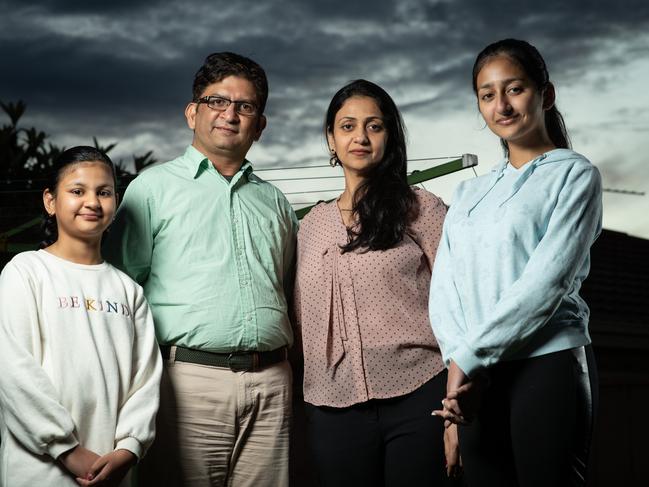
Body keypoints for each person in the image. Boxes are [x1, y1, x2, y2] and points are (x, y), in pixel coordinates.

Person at [103, 52, 298, 487]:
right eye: (217, 101)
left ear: (260, 126)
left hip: (272, 385)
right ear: (192, 113)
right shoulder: (151, 189)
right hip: (185, 384)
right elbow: (118, 291)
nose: (230, 113)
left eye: (245, 106)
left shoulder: (276, 203)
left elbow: (285, 289)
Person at [430, 38, 601, 487]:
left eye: (515, 89)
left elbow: (545, 284)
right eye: (487, 95)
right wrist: (458, 370)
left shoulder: (575, 174)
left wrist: (468, 358)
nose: (501, 105)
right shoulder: (468, 195)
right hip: (471, 379)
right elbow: (444, 290)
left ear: (545, 95)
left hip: (547, 365)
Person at [293, 79, 454, 487]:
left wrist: (456, 408)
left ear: (389, 136)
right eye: (347, 126)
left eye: (374, 126)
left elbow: (460, 302)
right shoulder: (308, 227)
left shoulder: (422, 208)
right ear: (331, 139)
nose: (360, 137)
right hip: (331, 406)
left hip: (420, 394)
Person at [0, 146, 162, 487]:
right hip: (39, 470)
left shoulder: (128, 290)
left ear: (115, 203)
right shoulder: (25, 272)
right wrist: (67, 449)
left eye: (104, 192)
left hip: (111, 469)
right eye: (77, 191)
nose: (92, 201)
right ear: (50, 201)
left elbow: (145, 381)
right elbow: (13, 371)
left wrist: (129, 448)